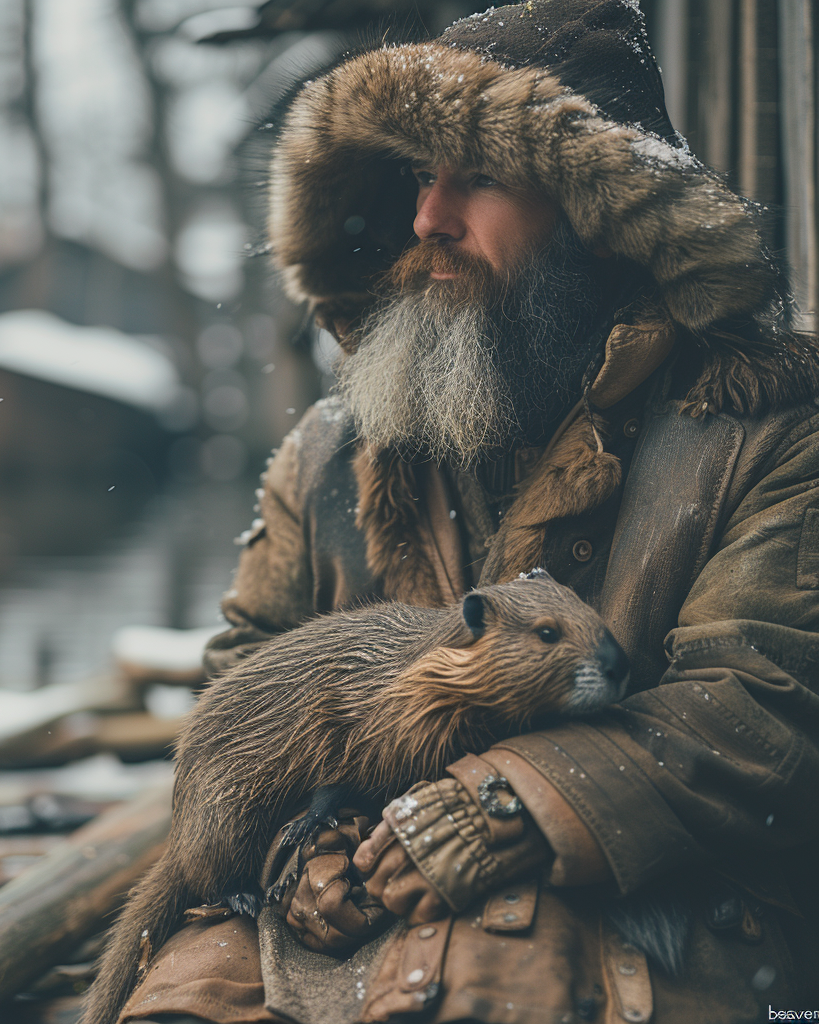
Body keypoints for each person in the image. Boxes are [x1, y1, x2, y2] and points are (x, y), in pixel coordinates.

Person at [115, 1, 819, 1021]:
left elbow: (764, 710)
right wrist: (302, 847)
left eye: (475, 178)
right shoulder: (329, 452)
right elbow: (244, 693)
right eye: (415, 175)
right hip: (334, 940)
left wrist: (511, 802)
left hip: (639, 929)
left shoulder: (762, 435)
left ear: (600, 213)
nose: (425, 219)